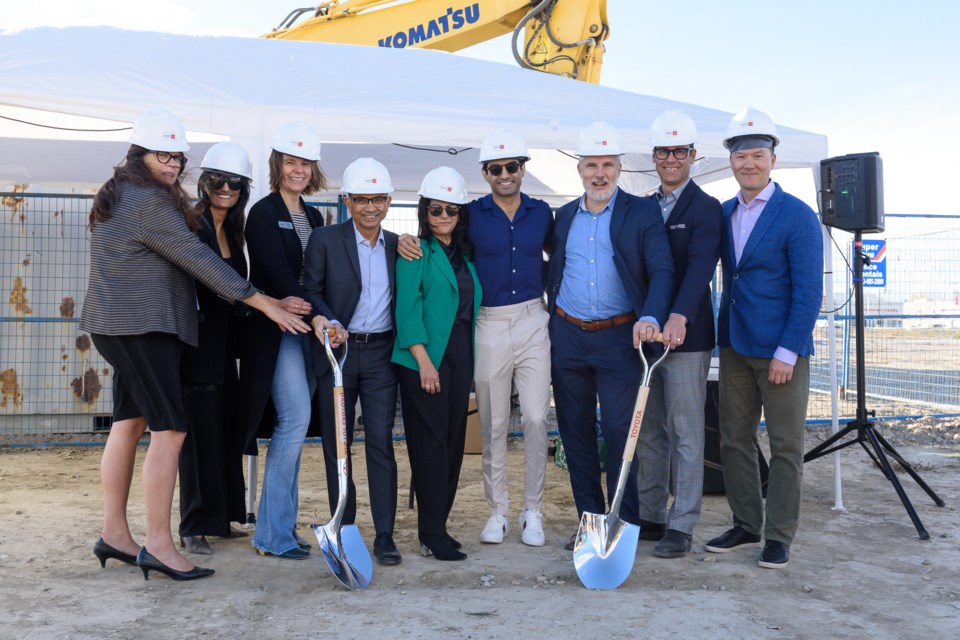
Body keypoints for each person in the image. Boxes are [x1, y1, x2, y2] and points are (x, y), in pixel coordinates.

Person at [82, 109, 308, 581]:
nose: (171, 164)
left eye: (177, 157)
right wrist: (267, 304)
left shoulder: (126, 193)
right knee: (171, 431)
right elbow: (201, 262)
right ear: (138, 154)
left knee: (128, 423)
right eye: (163, 155)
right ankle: (160, 545)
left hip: (119, 325)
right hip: (144, 327)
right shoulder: (148, 202)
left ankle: (115, 534)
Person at [398, 130, 554, 547]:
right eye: (496, 168)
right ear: (484, 173)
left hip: (532, 319)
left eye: (512, 167)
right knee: (494, 422)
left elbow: (560, 261)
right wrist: (405, 239)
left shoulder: (543, 214)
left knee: (538, 418)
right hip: (487, 323)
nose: (505, 174)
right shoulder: (470, 214)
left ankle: (532, 510)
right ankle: (498, 511)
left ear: (523, 169)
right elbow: (435, 238)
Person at [704, 107, 823, 569]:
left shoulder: (797, 215)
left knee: (785, 444)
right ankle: (746, 524)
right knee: (734, 440)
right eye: (740, 156)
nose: (748, 163)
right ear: (730, 161)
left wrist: (788, 350)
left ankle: (779, 535)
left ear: (773, 158)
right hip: (734, 346)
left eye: (757, 155)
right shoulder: (725, 212)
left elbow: (808, 290)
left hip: (780, 352)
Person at [546, 121, 674, 552]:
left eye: (607, 165)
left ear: (620, 168)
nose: (599, 174)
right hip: (567, 336)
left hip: (621, 338)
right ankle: (589, 521)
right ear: (579, 169)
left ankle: (624, 523)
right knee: (575, 433)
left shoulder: (641, 213)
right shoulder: (562, 218)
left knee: (622, 432)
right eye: (591, 166)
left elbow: (661, 269)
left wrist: (652, 315)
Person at [304, 158, 402, 566]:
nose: (369, 207)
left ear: (389, 201)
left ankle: (384, 535)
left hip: (381, 354)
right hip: (339, 354)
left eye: (377, 199)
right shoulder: (325, 240)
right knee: (338, 446)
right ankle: (345, 527)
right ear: (347, 200)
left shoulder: (399, 245)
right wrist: (328, 319)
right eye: (361, 199)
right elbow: (311, 290)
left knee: (381, 442)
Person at [634, 111, 722, 558]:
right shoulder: (644, 205)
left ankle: (682, 523)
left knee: (685, 429)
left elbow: (700, 268)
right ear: (654, 156)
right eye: (664, 152)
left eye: (680, 152)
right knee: (649, 430)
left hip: (687, 336)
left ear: (692, 156)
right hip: (648, 332)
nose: (671, 159)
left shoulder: (706, 209)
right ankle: (651, 514)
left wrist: (679, 316)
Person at [242, 121, 327, 560]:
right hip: (278, 331)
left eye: (305, 163)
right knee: (293, 421)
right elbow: (273, 271)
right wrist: (301, 305)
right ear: (278, 165)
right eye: (291, 162)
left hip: (307, 328)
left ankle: (282, 529)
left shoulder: (313, 215)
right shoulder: (262, 211)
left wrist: (317, 312)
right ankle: (271, 534)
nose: (298, 170)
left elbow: (318, 272)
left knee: (294, 425)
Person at [392, 167, 481, 562]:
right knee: (430, 446)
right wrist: (425, 363)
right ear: (425, 211)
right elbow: (406, 311)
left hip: (461, 355)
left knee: (452, 444)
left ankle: (438, 524)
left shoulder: (464, 255)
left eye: (451, 210)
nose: (444, 216)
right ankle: (429, 532)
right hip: (424, 358)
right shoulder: (415, 252)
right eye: (436, 209)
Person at [176, 142, 255, 555]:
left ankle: (222, 518)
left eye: (235, 182)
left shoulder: (234, 228)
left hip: (225, 347)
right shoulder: (192, 222)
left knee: (224, 430)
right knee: (197, 437)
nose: (226, 187)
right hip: (197, 344)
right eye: (218, 180)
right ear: (204, 182)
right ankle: (193, 525)